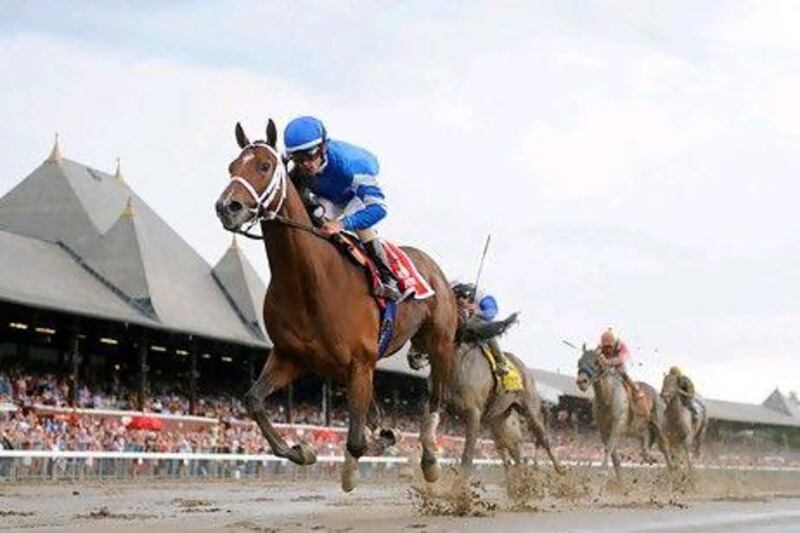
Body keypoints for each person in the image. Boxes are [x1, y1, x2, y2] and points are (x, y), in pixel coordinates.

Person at [283, 116, 401, 300]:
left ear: (323, 148)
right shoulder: (298, 165)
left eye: (310, 156)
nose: (306, 164)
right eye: (298, 159)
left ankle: (387, 277)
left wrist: (343, 223)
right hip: (328, 195)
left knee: (359, 222)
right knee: (310, 214)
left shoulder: (353, 166)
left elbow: (379, 208)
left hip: (353, 195)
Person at [452, 282, 512, 375]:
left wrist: (477, 312)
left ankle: (501, 360)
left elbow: (492, 312)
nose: (459, 304)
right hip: (463, 322)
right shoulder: (455, 297)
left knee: (484, 327)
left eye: (461, 302)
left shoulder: (483, 298)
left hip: (479, 321)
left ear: (467, 297)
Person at [596, 328, 645, 400]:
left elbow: (622, 359)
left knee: (621, 372)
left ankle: (636, 389)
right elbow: (595, 355)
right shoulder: (600, 346)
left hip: (620, 362)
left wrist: (608, 362)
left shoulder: (621, 345)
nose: (608, 349)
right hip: (608, 362)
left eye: (610, 346)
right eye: (606, 347)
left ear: (614, 343)